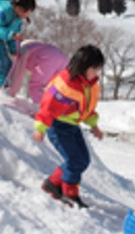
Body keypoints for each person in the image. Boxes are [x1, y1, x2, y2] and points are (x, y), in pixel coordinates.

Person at [33, 44, 104, 209]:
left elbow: (87, 108)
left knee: (83, 160)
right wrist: (40, 128)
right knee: (74, 160)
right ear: (83, 66)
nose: (96, 73)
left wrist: (94, 125)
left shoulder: (89, 83)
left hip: (72, 125)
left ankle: (52, 183)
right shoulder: (66, 84)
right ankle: (70, 194)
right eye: (94, 69)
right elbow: (47, 107)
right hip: (58, 126)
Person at [5, 40, 69, 110]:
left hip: (49, 57)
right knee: (56, 88)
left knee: (35, 85)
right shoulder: (33, 45)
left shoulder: (22, 51)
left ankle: (40, 109)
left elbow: (18, 73)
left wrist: (12, 91)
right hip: (63, 58)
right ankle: (60, 107)